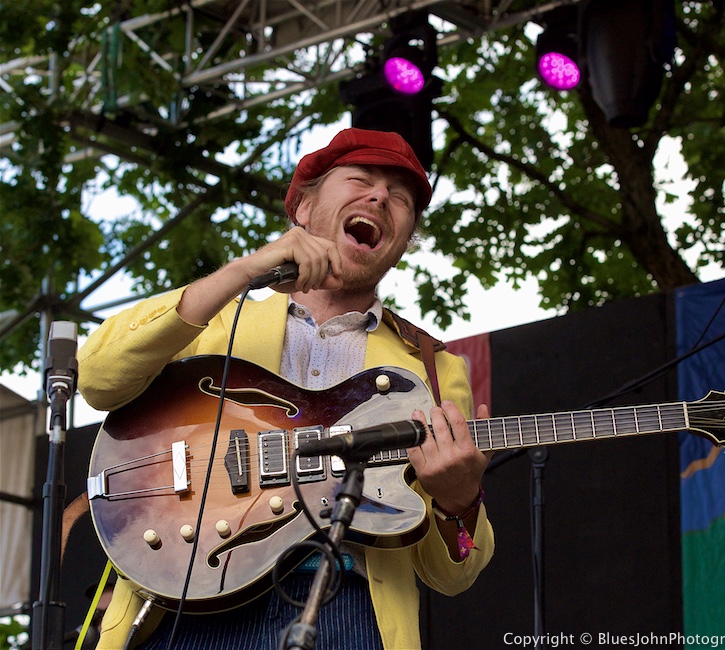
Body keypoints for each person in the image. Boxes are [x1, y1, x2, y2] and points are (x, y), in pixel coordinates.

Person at [77, 128, 494, 649]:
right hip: (188, 596)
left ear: (405, 241)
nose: (381, 197)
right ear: (302, 207)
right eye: (360, 180)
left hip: (346, 606)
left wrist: (458, 502)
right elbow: (96, 377)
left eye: (402, 198)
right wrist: (245, 269)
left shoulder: (434, 368)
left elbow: (450, 576)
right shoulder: (214, 315)